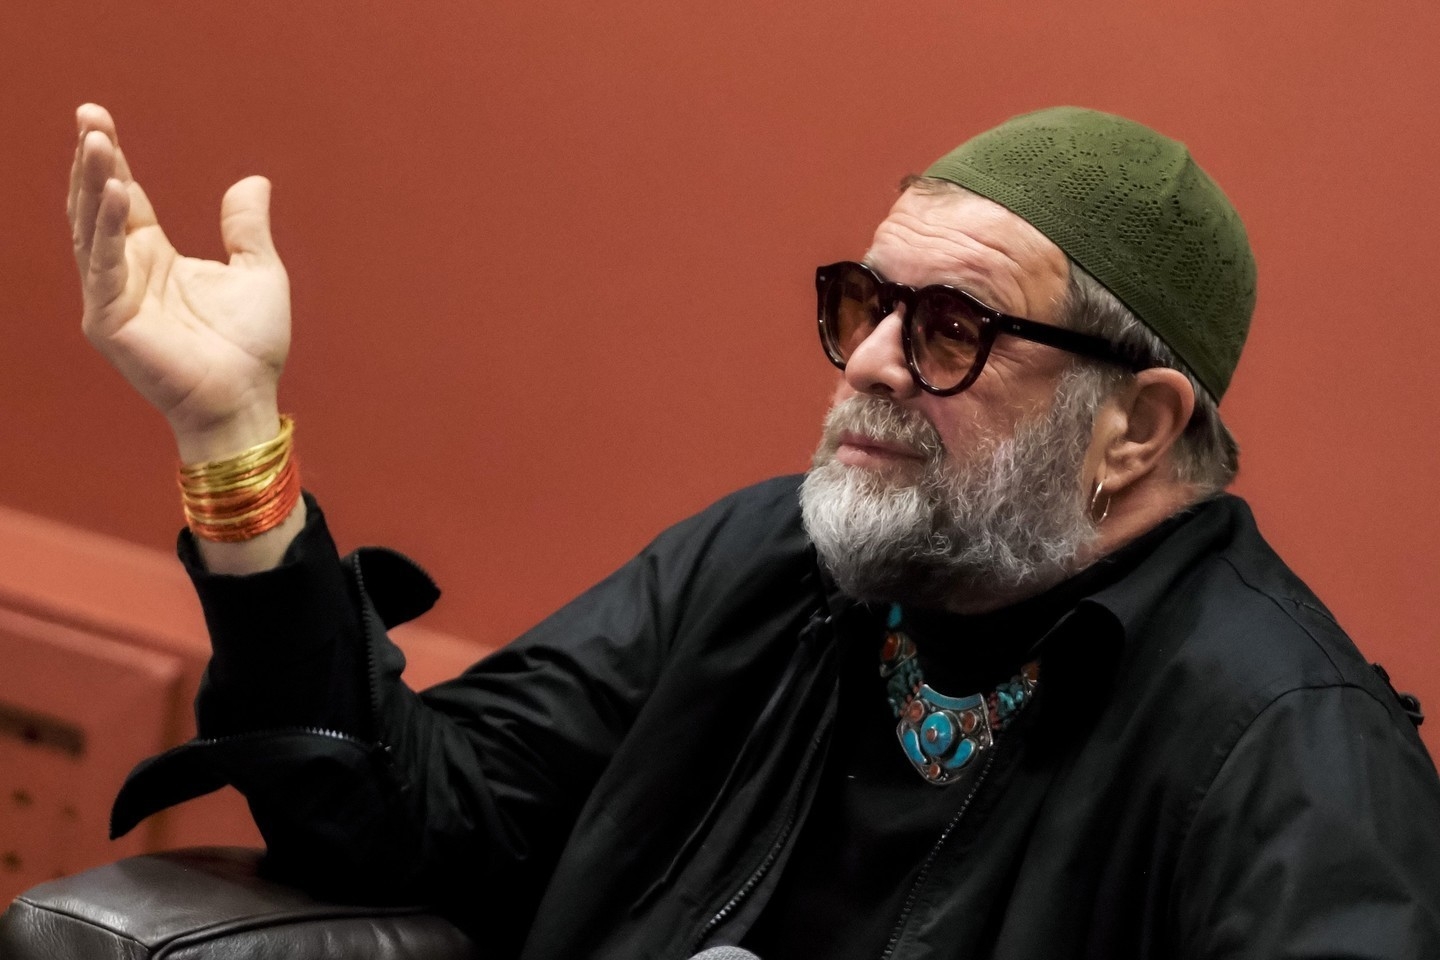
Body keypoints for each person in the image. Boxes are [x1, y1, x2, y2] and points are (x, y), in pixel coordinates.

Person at [70, 103, 1440, 959]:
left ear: (1135, 427)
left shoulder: (1292, 752)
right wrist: (231, 434)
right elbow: (416, 817)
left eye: (951, 329)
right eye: (867, 304)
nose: (873, 362)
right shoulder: (779, 561)